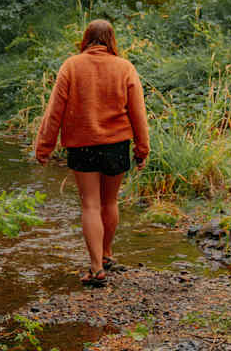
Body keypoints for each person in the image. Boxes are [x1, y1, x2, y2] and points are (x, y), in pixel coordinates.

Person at [34, 19, 149, 287]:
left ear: (86, 38)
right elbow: (138, 114)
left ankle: (97, 266)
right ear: (112, 40)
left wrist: (44, 146)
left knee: (90, 204)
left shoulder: (71, 66)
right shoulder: (124, 68)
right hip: (116, 144)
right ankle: (106, 253)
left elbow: (54, 112)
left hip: (81, 144)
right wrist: (142, 149)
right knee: (109, 202)